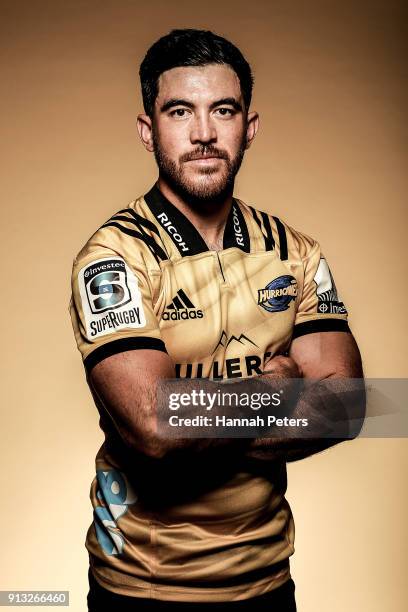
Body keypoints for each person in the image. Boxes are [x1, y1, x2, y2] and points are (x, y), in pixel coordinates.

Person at [69, 29, 364, 611]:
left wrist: (199, 420)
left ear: (248, 127)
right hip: (141, 587)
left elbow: (352, 404)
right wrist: (278, 390)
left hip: (268, 581)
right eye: (180, 111)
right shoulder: (114, 257)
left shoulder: (295, 251)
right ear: (148, 131)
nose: (203, 133)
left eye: (222, 110)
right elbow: (153, 427)